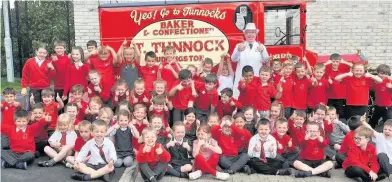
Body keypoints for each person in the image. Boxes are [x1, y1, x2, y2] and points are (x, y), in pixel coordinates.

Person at [231, 23, 269, 98]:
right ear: (245, 34)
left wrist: (263, 51)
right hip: (242, 78)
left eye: (252, 32)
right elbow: (233, 59)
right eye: (248, 32)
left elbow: (265, 60)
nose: (250, 34)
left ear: (255, 34)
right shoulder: (239, 46)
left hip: (256, 78)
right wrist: (238, 50)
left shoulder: (261, 46)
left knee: (256, 100)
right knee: (241, 100)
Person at [324, 53, 352, 118]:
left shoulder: (343, 70)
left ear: (339, 62)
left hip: (340, 97)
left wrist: (343, 61)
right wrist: (327, 62)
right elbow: (317, 67)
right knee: (328, 113)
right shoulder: (327, 70)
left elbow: (353, 66)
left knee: (338, 113)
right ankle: (328, 125)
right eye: (333, 61)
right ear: (330, 61)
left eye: (337, 62)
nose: (335, 63)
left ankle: (336, 125)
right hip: (329, 96)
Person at [369, 64, 392, 128]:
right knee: (372, 121)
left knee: (388, 122)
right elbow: (369, 89)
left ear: (388, 74)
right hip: (378, 106)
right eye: (381, 73)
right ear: (378, 72)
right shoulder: (375, 81)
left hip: (387, 106)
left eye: (385, 74)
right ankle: (369, 133)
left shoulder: (389, 82)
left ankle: (388, 134)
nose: (383, 75)